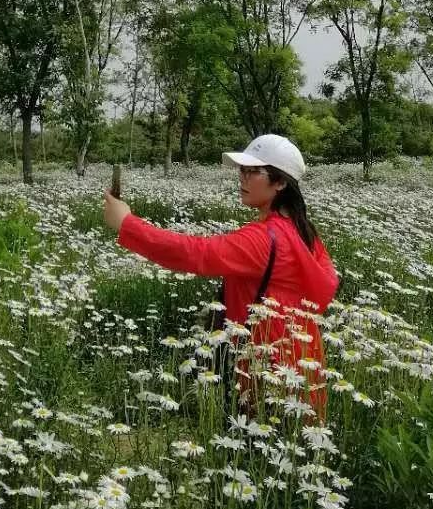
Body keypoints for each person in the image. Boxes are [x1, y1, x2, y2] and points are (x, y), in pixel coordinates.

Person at [102, 133, 340, 418]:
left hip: (266, 365)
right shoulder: (303, 232)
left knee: (256, 441)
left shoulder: (265, 239)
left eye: (253, 171)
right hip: (302, 359)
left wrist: (127, 225)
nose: (242, 177)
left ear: (280, 182)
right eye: (242, 169)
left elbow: (197, 253)